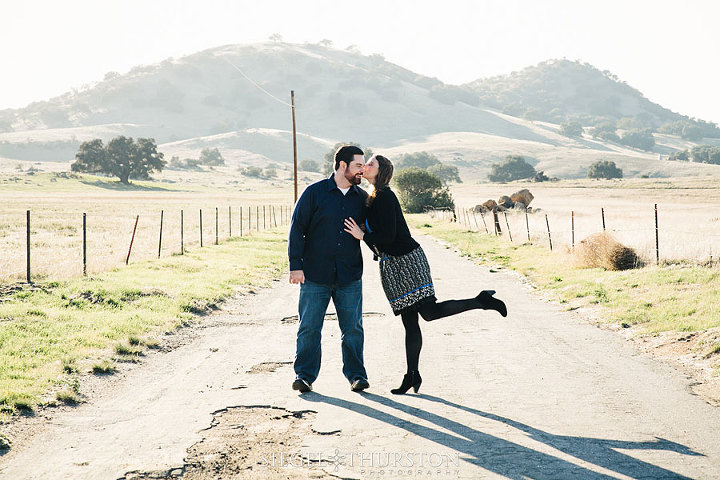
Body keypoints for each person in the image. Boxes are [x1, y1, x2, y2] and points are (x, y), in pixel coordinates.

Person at [344, 155, 507, 395]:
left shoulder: (385, 196)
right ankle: (412, 375)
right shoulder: (374, 197)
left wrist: (362, 236)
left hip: (408, 261)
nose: (365, 166)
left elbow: (388, 236)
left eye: (370, 164)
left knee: (429, 313)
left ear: (381, 171)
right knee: (410, 323)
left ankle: (481, 301)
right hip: (391, 265)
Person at [288, 145, 371, 393]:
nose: (362, 170)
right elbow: (297, 229)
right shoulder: (314, 193)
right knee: (310, 328)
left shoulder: (363, 199)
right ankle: (304, 376)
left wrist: (364, 234)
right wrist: (296, 266)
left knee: (353, 329)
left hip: (350, 275)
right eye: (358, 165)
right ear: (342, 165)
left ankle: (357, 376)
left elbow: (375, 230)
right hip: (315, 275)